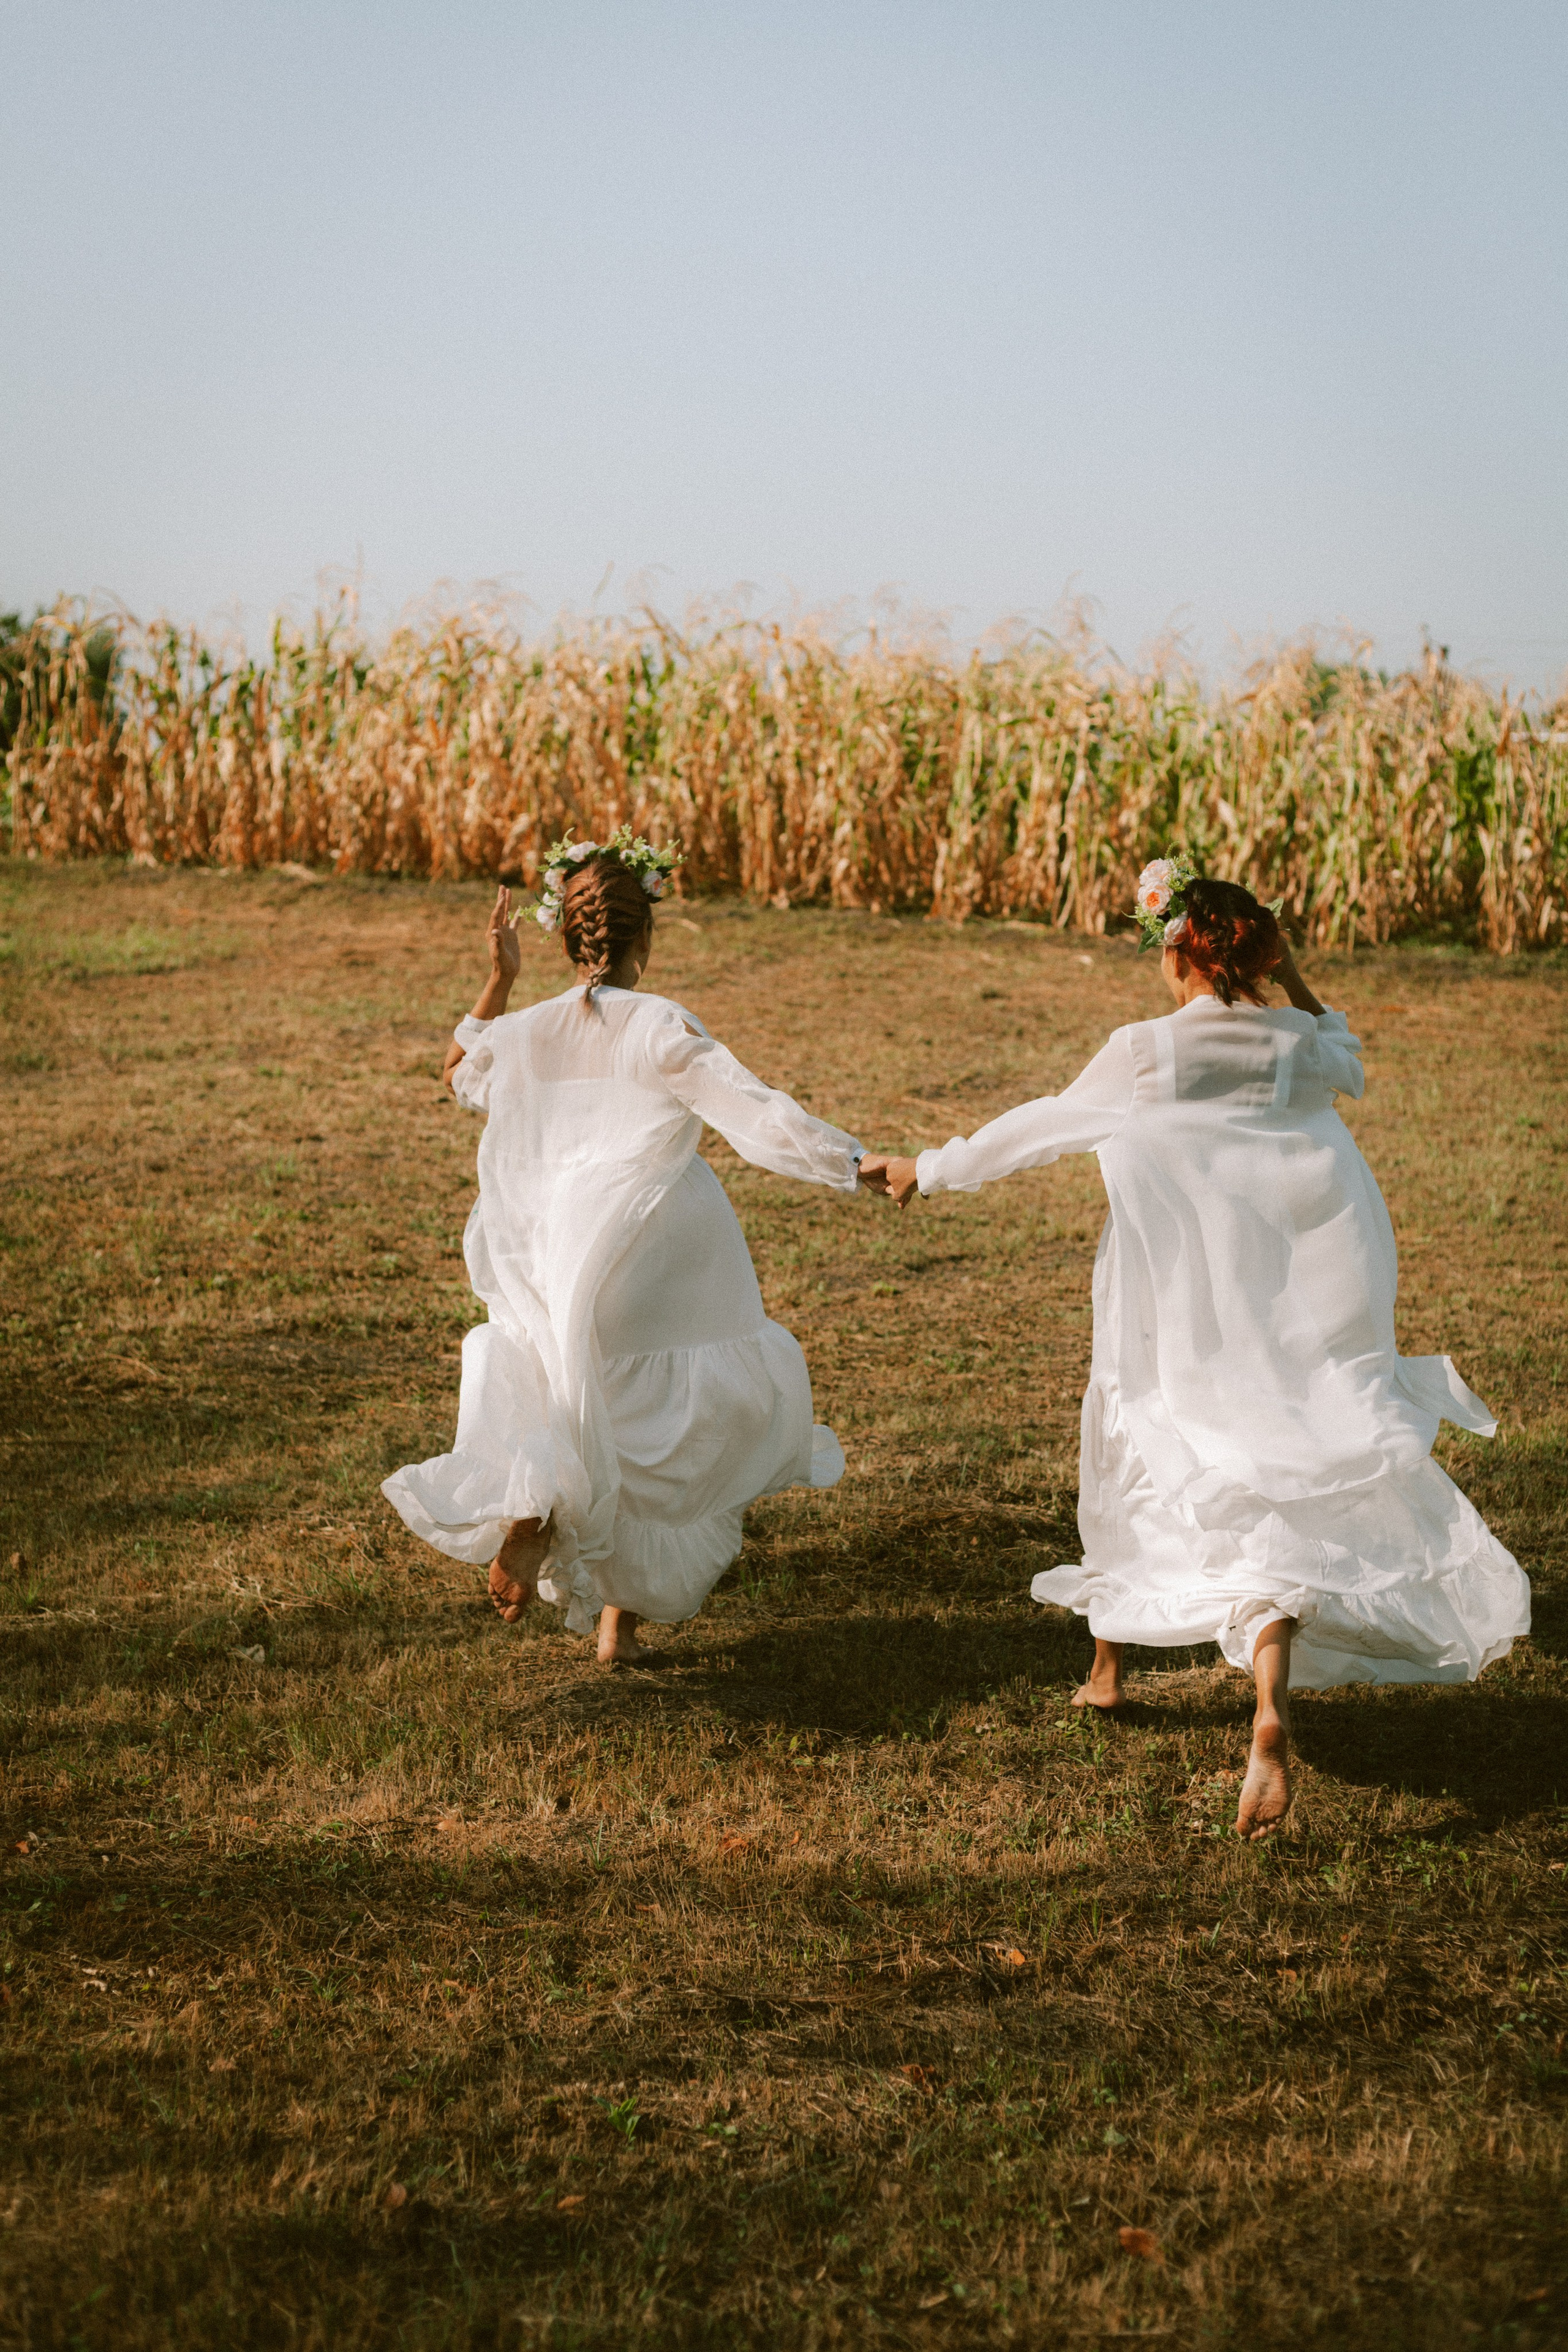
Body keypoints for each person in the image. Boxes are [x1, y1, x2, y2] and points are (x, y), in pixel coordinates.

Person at [861, 871, 1529, 1839]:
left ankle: (1108, 1676)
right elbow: (1351, 1055)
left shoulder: (1145, 1055)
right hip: (1299, 1301)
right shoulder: (1299, 1048)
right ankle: (1266, 1703)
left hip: (1177, 1304)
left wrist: (930, 1167)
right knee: (1275, 1484)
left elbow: (1040, 1126)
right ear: (1257, 954)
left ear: (1173, 951)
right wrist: (1291, 977)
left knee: (1145, 1450)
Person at [382, 831, 876, 1664]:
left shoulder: (530, 1031)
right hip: (655, 1249)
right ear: (644, 936)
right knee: (697, 1421)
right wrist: (856, 1164)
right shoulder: (661, 1024)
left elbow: (459, 1071)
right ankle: (620, 1620)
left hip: (556, 1249)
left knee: (577, 1394)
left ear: (567, 937)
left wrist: (499, 978)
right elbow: (756, 1114)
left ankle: (558, 1534)